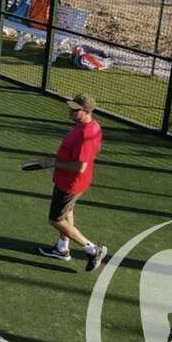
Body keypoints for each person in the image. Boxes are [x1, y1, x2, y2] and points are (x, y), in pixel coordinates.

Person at [36, 94, 108, 271]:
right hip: (73, 182)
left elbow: (79, 166)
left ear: (86, 111)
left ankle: (92, 250)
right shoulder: (92, 126)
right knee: (68, 212)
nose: (70, 110)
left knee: (55, 219)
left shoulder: (86, 134)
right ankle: (62, 249)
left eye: (75, 109)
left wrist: (54, 162)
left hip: (70, 184)